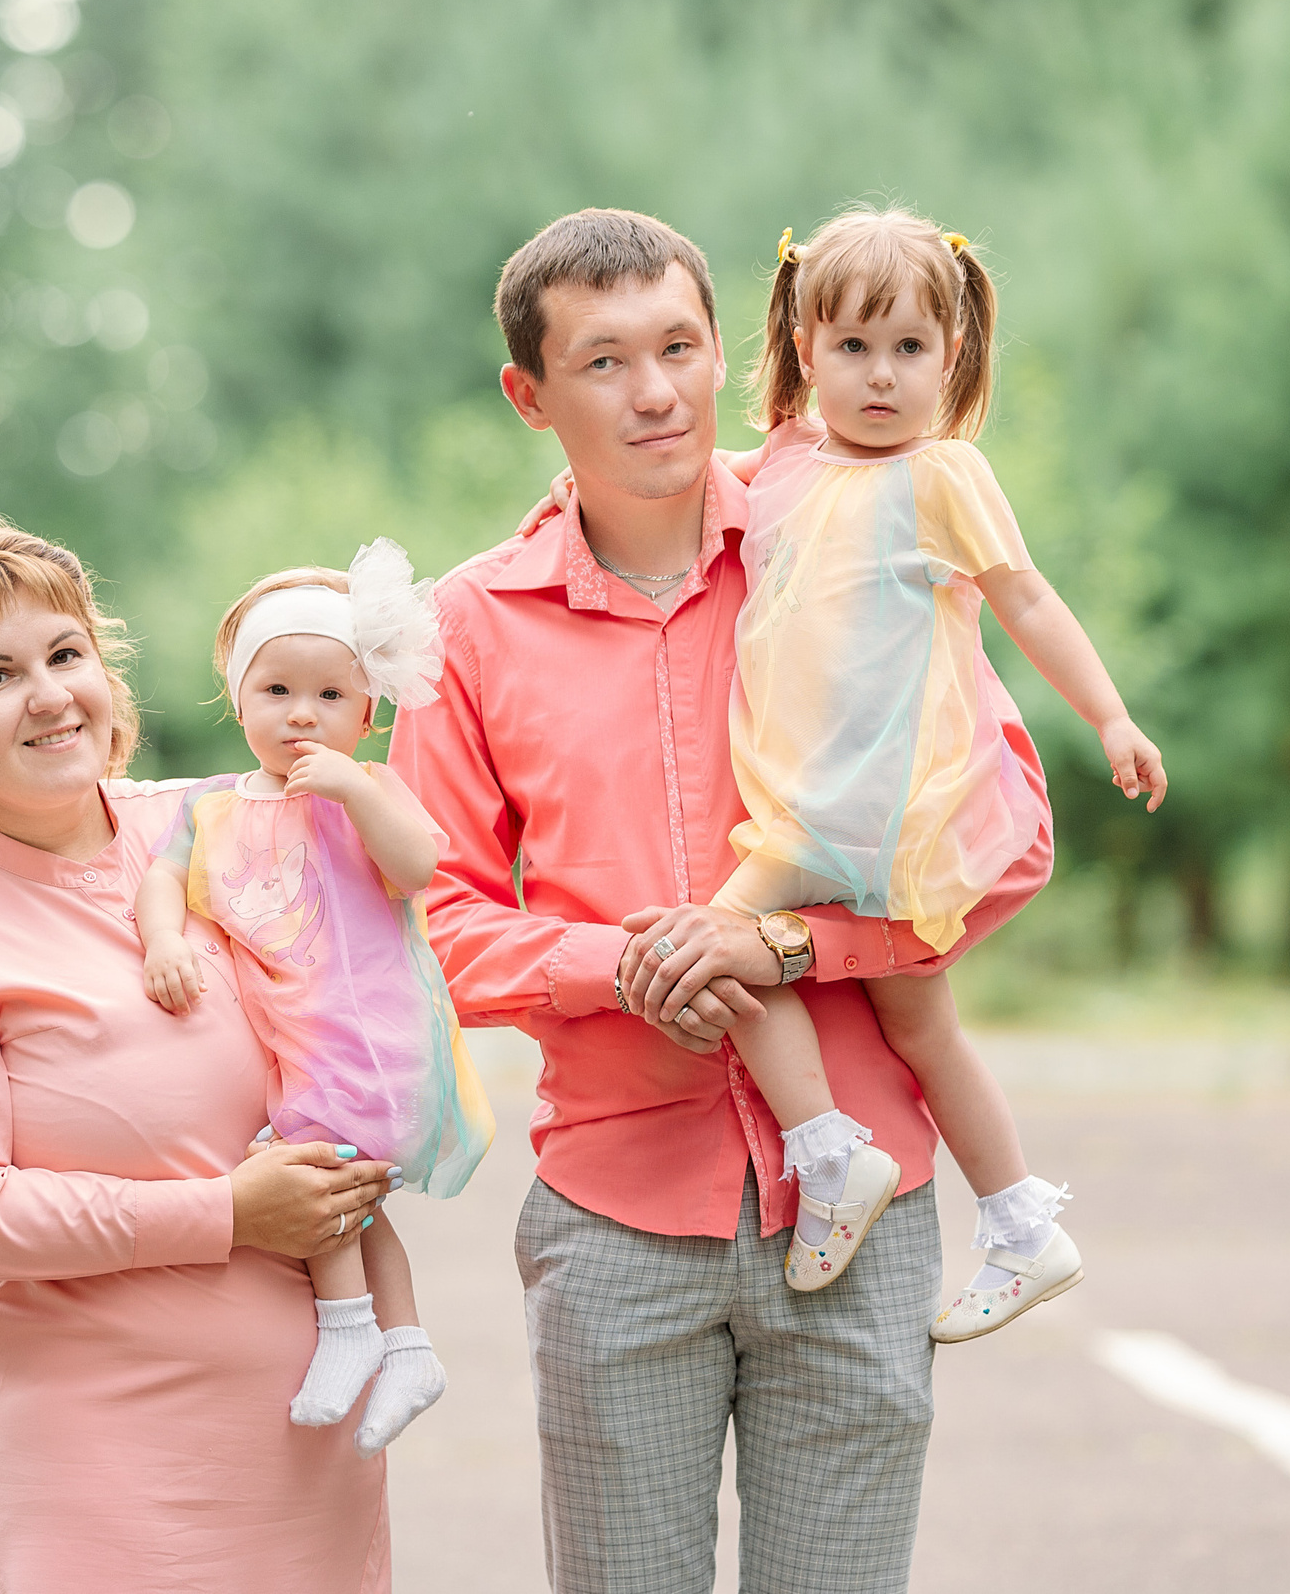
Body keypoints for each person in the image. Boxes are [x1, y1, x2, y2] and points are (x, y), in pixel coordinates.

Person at [388, 208, 1052, 1594]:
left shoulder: (858, 522)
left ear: (731, 351)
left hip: (865, 1205)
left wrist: (787, 938)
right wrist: (619, 963)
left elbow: (1005, 835)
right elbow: (434, 923)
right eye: (606, 360)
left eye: (682, 346)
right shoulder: (469, 626)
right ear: (530, 394)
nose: (657, 391)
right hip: (618, 1215)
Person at [0, 514, 398, 1594]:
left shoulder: (219, 826)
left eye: (65, 654)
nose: (49, 694)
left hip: (306, 1435)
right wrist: (228, 1213)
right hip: (93, 1459)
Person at [698, 204, 1168, 1341]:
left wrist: (1108, 715)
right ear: (805, 349)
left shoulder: (943, 474)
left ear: (949, 357)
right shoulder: (782, 465)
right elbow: (665, 487)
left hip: (867, 805)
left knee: (710, 952)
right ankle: (1017, 1220)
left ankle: (824, 1149)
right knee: (922, 1025)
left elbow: (1030, 600)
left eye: (909, 349)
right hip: (809, 792)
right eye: (852, 348)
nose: (879, 376)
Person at [135, 542, 494, 1456]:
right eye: (278, 692)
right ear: (238, 698)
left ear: (367, 711)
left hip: (371, 1039)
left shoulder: (366, 788)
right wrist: (165, 936)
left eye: (330, 697)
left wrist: (352, 789)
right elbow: (161, 877)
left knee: (321, 1179)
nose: (304, 716)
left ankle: (349, 1330)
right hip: (296, 1046)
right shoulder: (213, 806)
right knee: (357, 1202)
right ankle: (407, 1345)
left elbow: (417, 866)